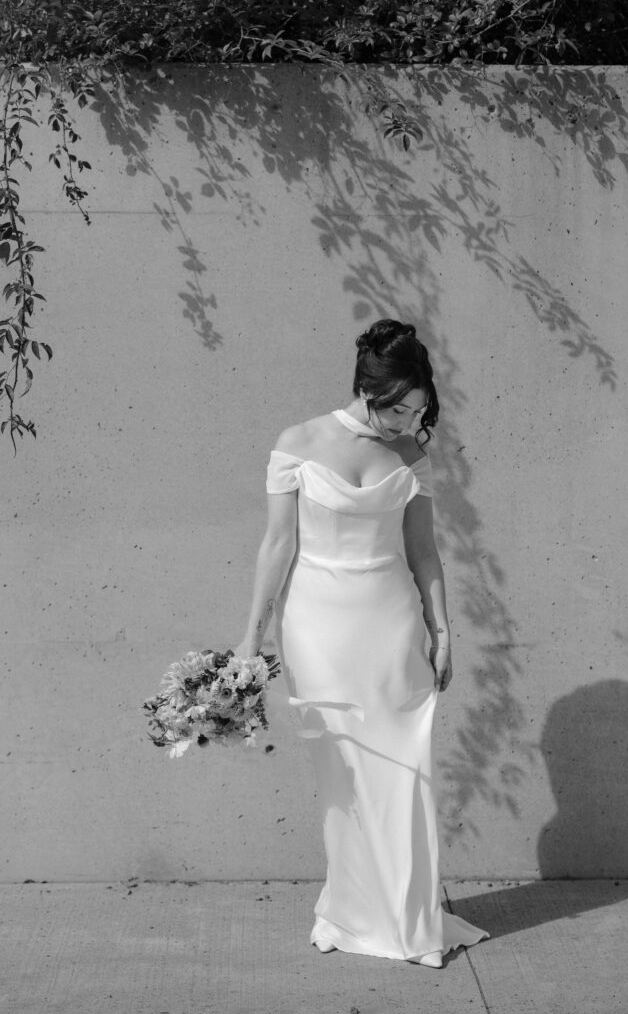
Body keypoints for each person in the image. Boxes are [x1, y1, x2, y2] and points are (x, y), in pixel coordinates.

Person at [235, 320, 488, 967]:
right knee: (342, 778)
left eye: (419, 411)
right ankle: (350, 914)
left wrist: (441, 631)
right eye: (399, 409)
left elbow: (423, 552)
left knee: (404, 771)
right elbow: (276, 546)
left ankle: (409, 922)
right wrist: (249, 641)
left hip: (391, 626)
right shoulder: (298, 443)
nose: (409, 422)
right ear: (367, 390)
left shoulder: (410, 458)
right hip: (316, 629)